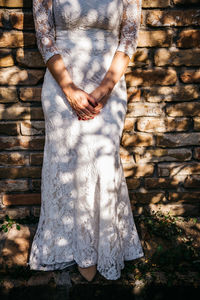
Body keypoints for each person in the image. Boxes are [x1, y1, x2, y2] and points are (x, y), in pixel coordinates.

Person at [27, 0, 144, 282]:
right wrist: (69, 89)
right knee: (65, 162)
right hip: (61, 83)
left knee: (103, 161)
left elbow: (128, 38)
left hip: (109, 82)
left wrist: (104, 89)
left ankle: (102, 248)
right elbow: (45, 38)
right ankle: (69, 248)